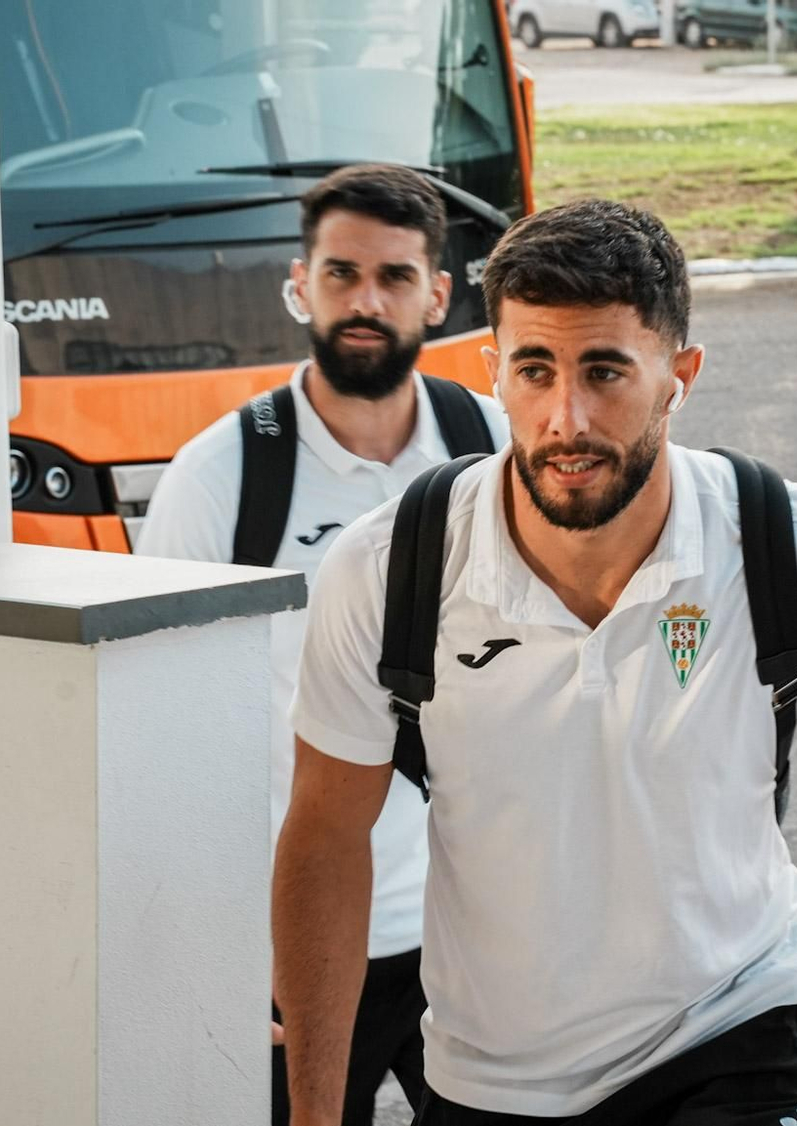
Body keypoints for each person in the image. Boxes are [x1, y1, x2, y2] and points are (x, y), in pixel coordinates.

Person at [275, 200, 797, 1126]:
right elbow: (325, 839)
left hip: (728, 1031)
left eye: (605, 371)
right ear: (493, 373)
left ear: (678, 377)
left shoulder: (793, 545)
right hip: (490, 1075)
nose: (566, 417)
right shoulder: (388, 568)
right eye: (534, 369)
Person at [135, 163, 507, 1125]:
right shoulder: (222, 477)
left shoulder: (496, 453)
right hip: (289, 944)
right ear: (299, 284)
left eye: (393, 278)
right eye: (341, 274)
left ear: (437, 293)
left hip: (469, 940)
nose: (365, 302)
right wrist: (201, 954)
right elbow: (156, 735)